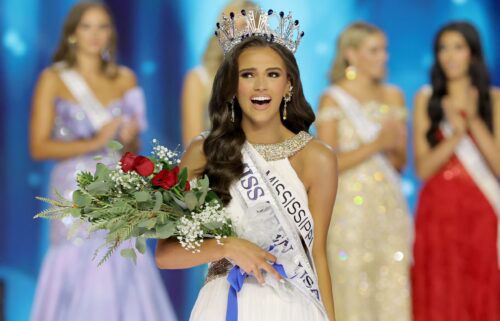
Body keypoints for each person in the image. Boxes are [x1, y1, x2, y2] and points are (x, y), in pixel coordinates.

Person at [157, 9, 338, 321]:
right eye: (248, 74)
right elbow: (165, 254)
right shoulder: (205, 151)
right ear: (231, 86)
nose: (260, 86)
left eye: (273, 74)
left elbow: (318, 255)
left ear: (289, 85)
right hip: (224, 303)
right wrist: (225, 247)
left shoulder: (317, 157)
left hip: (292, 306)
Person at [29, 3, 176, 320]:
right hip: (73, 190)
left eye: (103, 26)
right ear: (72, 34)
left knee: (120, 258)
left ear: (112, 32)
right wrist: (96, 141)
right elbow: (38, 147)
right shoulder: (53, 79)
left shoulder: (125, 79)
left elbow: (133, 150)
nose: (95, 35)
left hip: (117, 185)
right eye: (87, 27)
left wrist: (131, 136)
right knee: (78, 260)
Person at [316, 22, 412, 321]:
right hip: (348, 212)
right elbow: (327, 164)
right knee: (351, 285)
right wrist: (377, 143)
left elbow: (399, 164)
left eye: (384, 50)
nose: (383, 57)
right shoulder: (332, 98)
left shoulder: (394, 96)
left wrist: (393, 146)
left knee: (391, 285)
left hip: (388, 208)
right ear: (351, 54)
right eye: (374, 50)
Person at [412, 21, 500, 321]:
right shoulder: (426, 99)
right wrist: (455, 135)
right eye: (443, 48)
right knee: (442, 290)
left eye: (458, 47)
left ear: (473, 54)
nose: (449, 55)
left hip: (482, 212)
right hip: (438, 213)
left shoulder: (495, 99)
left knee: (481, 289)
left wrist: (473, 121)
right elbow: (423, 168)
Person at [180, 0, 258, 146]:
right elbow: (192, 143)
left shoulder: (268, 81)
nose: (244, 36)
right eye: (237, 27)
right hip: (217, 163)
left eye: (250, 28)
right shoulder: (199, 78)